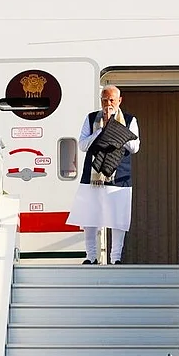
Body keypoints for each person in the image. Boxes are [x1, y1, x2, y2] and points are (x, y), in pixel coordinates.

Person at [67, 85, 140, 264]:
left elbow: (135, 147)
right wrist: (102, 130)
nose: (108, 104)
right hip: (93, 175)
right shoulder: (92, 119)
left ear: (119, 101)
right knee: (89, 216)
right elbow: (83, 145)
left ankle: (116, 258)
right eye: (104, 100)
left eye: (112, 100)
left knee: (117, 218)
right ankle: (91, 256)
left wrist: (115, 129)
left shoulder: (130, 120)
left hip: (119, 176)